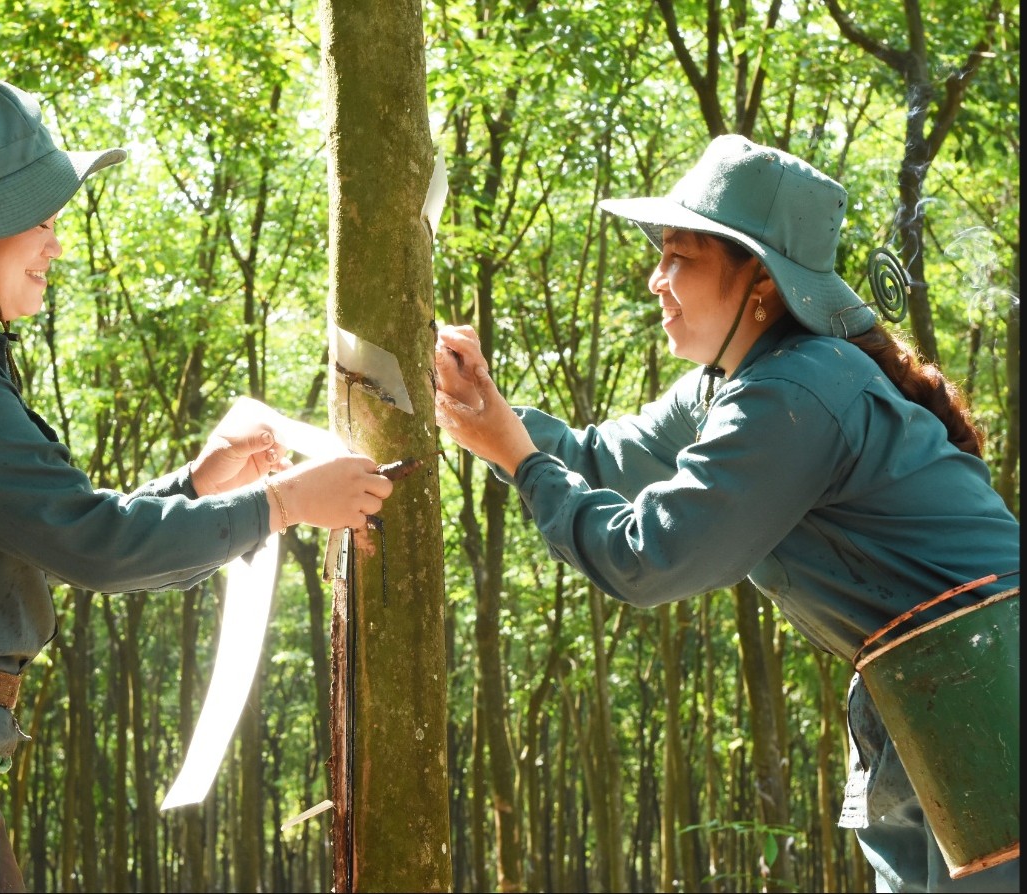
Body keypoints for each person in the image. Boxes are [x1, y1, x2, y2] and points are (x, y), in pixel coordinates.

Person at [0, 77, 393, 893]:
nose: (55, 245)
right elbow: (94, 545)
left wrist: (198, 485)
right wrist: (284, 504)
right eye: (40, 220)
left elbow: (49, 526)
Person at [433, 134, 1019, 893]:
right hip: (928, 693)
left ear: (762, 280)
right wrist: (482, 401)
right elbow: (596, 459)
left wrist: (519, 460)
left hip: (989, 685)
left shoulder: (796, 390)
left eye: (680, 256)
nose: (656, 279)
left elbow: (649, 558)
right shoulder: (736, 386)